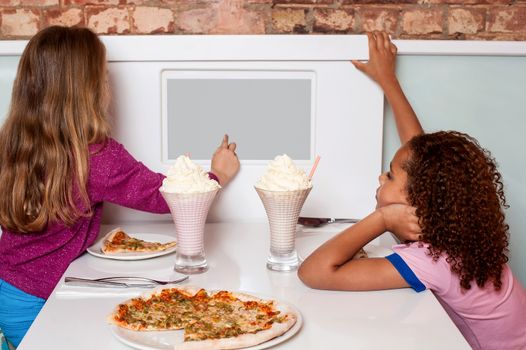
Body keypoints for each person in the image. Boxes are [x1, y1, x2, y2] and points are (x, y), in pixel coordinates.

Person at [0, 26, 240, 348]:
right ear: (88, 90)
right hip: (40, 304)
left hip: (7, 292)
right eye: (103, 77)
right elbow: (167, 196)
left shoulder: (11, 144)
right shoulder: (97, 157)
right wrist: (217, 174)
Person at [298, 31, 526, 350]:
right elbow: (416, 153)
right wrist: (388, 81)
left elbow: (314, 271)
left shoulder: (432, 261)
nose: (381, 176)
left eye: (389, 176)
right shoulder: (458, 235)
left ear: (419, 202)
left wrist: (383, 219)